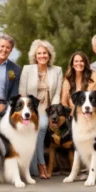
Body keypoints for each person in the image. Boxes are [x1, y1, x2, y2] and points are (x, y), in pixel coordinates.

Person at [19, 39, 63, 179]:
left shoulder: (57, 70)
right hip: (31, 109)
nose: (42, 56)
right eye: (39, 53)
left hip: (47, 108)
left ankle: (39, 165)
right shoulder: (27, 69)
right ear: (35, 55)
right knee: (39, 126)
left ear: (49, 55)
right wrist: (28, 110)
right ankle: (41, 165)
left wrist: (53, 112)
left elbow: (57, 93)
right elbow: (22, 92)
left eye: (45, 53)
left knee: (42, 125)